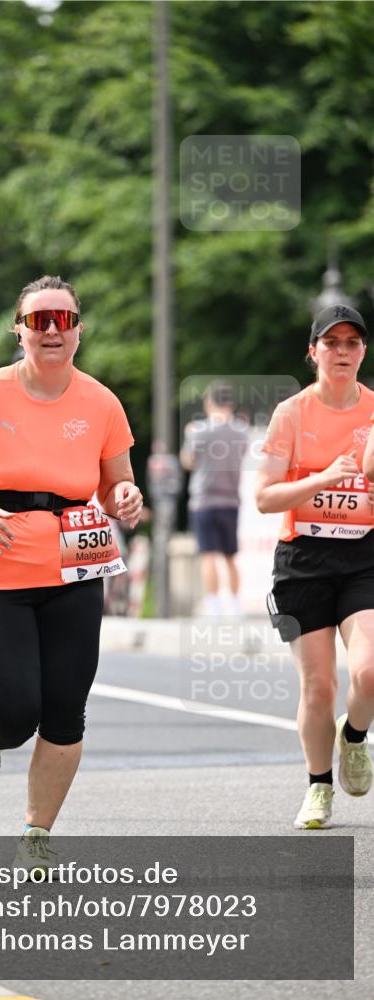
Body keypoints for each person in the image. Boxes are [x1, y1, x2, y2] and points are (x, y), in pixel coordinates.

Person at [0, 274, 143, 868]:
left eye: (62, 319)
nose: (51, 329)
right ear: (19, 331)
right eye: (38, 319)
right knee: (16, 710)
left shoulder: (100, 402)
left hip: (75, 570)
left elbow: (115, 478)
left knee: (66, 710)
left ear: (78, 332)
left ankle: (36, 837)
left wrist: (124, 496)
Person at [255, 304, 374, 830]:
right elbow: (265, 496)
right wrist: (322, 478)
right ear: (313, 352)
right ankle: (318, 787)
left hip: (363, 556)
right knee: (319, 686)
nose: (342, 352)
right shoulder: (292, 413)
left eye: (352, 343)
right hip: (303, 558)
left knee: (369, 672)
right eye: (332, 343)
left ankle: (354, 737)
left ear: (363, 351)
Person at [180, 380, 249, 615]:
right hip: (231, 500)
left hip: (203, 501)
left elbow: (188, 461)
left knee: (208, 554)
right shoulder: (241, 431)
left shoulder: (198, 431)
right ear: (230, 403)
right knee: (230, 555)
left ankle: (213, 605)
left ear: (210, 402)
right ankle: (235, 604)